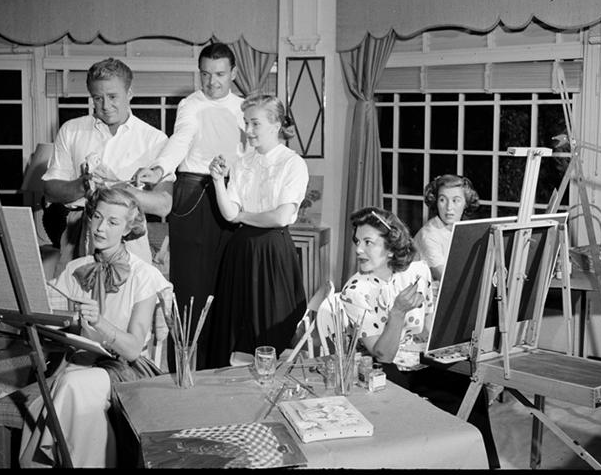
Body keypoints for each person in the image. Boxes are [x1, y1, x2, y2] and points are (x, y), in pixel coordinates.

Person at [19, 188, 173, 468]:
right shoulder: (76, 268)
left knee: (72, 385)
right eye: (97, 217)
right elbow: (50, 320)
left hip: (126, 369)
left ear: (128, 229)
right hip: (79, 362)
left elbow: (132, 349)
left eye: (113, 222)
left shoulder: (144, 275)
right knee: (72, 385)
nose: (101, 228)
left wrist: (99, 321)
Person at [340, 206, 500, 469]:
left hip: (418, 359)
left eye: (368, 242)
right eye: (357, 241)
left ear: (390, 247)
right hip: (379, 369)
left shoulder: (417, 271)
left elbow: (427, 327)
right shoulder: (355, 290)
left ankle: (485, 464)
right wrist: (398, 313)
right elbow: (383, 355)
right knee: (403, 404)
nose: (358, 250)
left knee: (469, 385)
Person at [134, 43, 245, 370]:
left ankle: (219, 373)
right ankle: (182, 372)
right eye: (206, 74)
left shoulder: (245, 108)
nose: (212, 82)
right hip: (193, 193)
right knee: (190, 293)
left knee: (227, 289)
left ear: (234, 73)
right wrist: (158, 169)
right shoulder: (191, 104)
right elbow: (180, 139)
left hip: (232, 194)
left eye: (220, 74)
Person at [42, 57, 174, 281]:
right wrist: (83, 185)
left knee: (128, 301)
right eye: (97, 98)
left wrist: (117, 188)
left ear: (129, 93)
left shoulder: (154, 139)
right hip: (78, 233)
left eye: (113, 97)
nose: (105, 105)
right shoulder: (71, 130)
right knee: (73, 299)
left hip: (131, 238)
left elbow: (163, 205)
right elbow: (50, 190)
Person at [204, 94, 308, 369]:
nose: (248, 130)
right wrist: (218, 181)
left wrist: (243, 216)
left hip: (274, 253)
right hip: (240, 253)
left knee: (271, 328)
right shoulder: (242, 163)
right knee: (235, 329)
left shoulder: (293, 163)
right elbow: (229, 214)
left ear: (276, 125)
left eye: (255, 124)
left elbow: (281, 217)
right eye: (246, 123)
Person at [413, 174, 480, 281]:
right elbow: (446, 279)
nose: (449, 207)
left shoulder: (464, 229)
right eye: (442, 200)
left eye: (456, 200)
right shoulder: (429, 235)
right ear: (436, 202)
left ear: (466, 203)